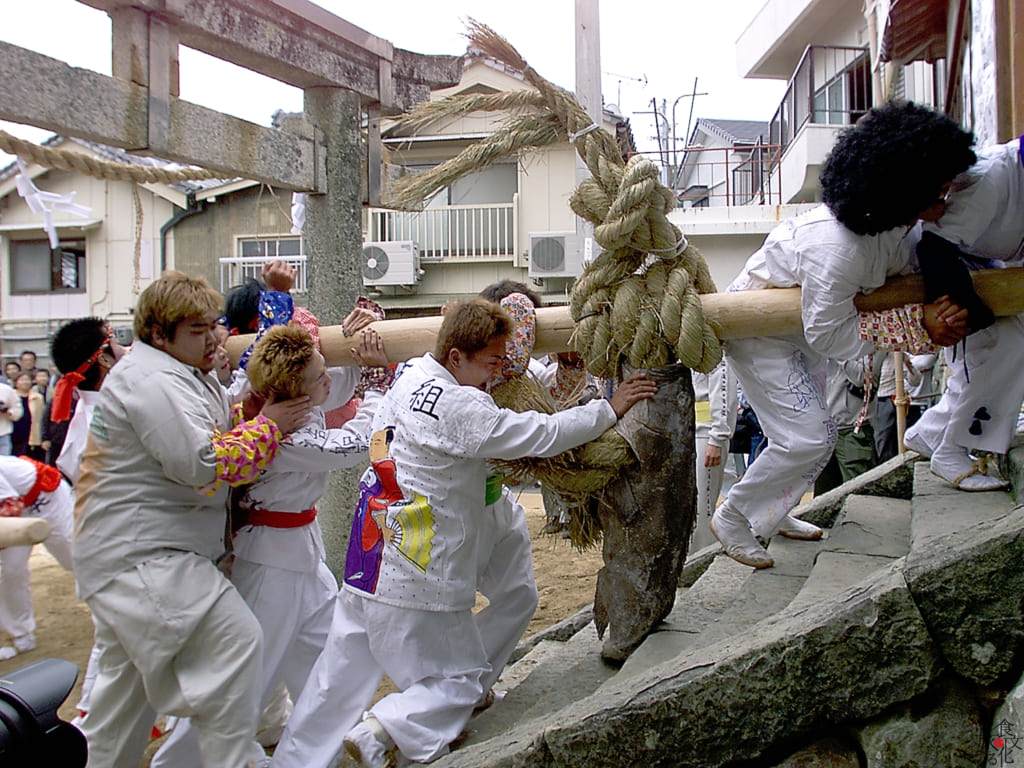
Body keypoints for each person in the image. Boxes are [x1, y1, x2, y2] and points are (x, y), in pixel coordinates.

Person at [270, 298, 657, 768]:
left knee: (336, 679)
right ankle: (381, 730)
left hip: (369, 556)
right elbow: (542, 433)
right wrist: (608, 410)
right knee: (458, 681)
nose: (497, 372)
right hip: (417, 570)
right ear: (456, 357)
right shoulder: (460, 406)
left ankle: (295, 762)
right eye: (491, 361)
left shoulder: (410, 375)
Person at [711, 101, 972, 570]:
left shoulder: (900, 228)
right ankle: (733, 515)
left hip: (803, 337)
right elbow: (832, 333)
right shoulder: (834, 246)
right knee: (809, 438)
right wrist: (916, 327)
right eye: (938, 190)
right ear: (901, 186)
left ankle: (773, 512)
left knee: (817, 435)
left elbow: (911, 275)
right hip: (760, 336)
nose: (947, 198)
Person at [72, 271, 311, 768]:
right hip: (142, 555)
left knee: (122, 710)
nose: (214, 340)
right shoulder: (152, 379)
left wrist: (252, 413)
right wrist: (269, 425)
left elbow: (214, 437)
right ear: (159, 333)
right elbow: (200, 464)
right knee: (235, 643)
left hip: (136, 553)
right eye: (199, 332)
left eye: (214, 328)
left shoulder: (177, 374)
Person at [150, 321, 391, 768]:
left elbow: (332, 387)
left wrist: (363, 350)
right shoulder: (284, 433)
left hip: (302, 552)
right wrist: (377, 386)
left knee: (327, 660)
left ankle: (313, 754)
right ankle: (179, 762)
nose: (328, 377)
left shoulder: (286, 402)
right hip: (268, 564)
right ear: (297, 392)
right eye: (320, 374)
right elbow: (355, 443)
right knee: (244, 676)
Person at [893, 127, 1024, 490]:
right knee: (1005, 345)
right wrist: (967, 311)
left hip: (983, 263)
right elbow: (934, 247)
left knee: (1001, 353)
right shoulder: (992, 177)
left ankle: (929, 434)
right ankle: (951, 450)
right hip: (942, 267)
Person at [0, 454, 75, 659]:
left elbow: (10, 505)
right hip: (14, 506)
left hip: (46, 497)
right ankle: (21, 635)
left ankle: (113, 610)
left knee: (74, 557)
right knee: (10, 570)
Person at [813, 356, 882, 495]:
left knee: (856, 490)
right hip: (827, 427)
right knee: (824, 494)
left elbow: (862, 376)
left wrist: (839, 351)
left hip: (853, 429)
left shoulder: (873, 342)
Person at [691, 358, 738, 551]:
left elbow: (724, 389)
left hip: (706, 434)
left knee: (703, 508)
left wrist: (717, 437)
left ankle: (699, 558)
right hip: (688, 431)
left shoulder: (718, 354)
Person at [10, 372, 44, 460]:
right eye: (22, 380)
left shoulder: (38, 397)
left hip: (31, 434)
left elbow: (41, 417)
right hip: (13, 434)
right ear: (16, 382)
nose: (25, 382)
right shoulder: (10, 396)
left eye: (27, 380)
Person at [0, 379, 22, 456]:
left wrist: (8, 411)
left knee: (4, 464)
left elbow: (18, 411)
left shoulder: (7, 390)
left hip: (3, 434)